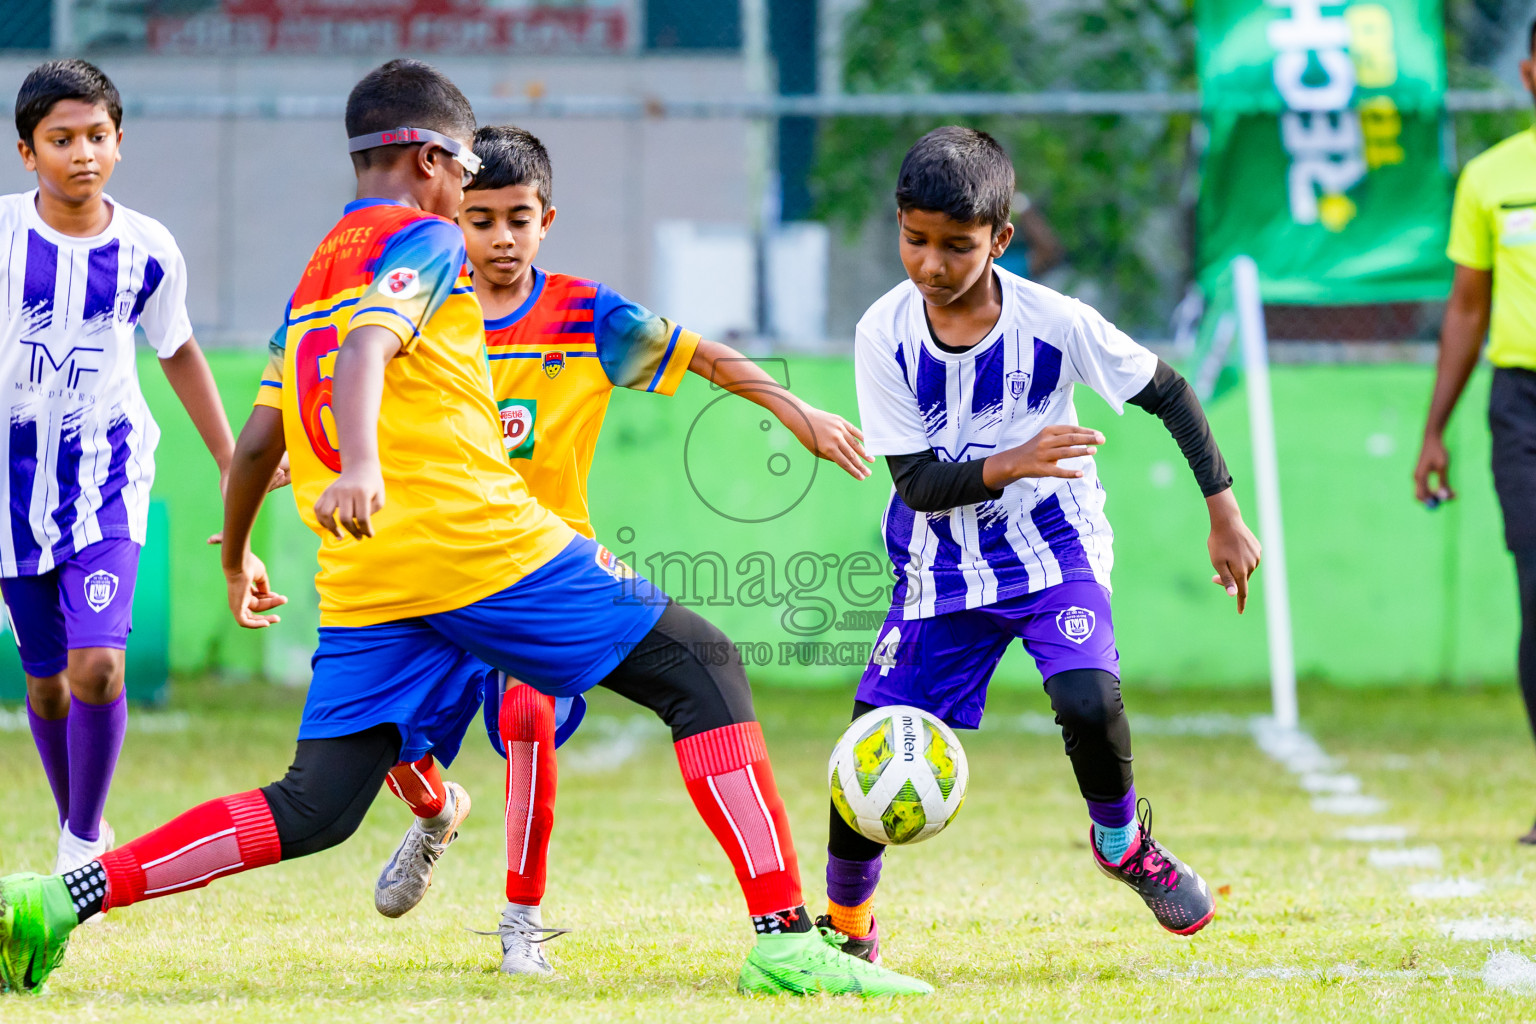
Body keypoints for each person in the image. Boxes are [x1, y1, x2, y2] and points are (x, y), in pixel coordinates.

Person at [0, 58, 930, 999]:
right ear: (429, 156)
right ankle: (783, 937)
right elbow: (375, 340)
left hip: (369, 579)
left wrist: (238, 554)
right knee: (705, 665)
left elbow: (253, 446)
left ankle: (61, 897)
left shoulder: (316, 272)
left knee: (314, 806)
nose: (467, 193)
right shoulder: (424, 241)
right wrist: (360, 460)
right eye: (462, 169)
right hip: (478, 547)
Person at [370, 123, 875, 976]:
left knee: (541, 707)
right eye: (481, 218)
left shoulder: (584, 313)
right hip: (431, 566)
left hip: (545, 572)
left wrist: (798, 411)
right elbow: (353, 392)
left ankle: (519, 925)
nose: (499, 238)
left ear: (547, 219)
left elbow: (703, 356)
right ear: (453, 216)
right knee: (382, 738)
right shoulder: (417, 307)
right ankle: (435, 810)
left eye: (518, 218)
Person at [820, 126, 1262, 960]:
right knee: (868, 749)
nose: (932, 265)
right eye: (915, 241)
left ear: (1001, 241)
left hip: (1054, 547)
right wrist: (1015, 459)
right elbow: (916, 483)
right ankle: (846, 932)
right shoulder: (883, 333)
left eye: (957, 246)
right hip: (938, 567)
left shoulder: (1053, 321)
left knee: (1091, 702)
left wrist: (1224, 511)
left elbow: (1168, 391)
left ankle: (1123, 843)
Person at [0, 60, 241, 878]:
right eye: (60, 140)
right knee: (43, 688)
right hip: (11, 492)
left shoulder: (148, 248)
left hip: (105, 479)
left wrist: (227, 457)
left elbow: (176, 350)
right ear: (28, 152)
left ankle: (79, 842)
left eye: (96, 137)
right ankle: (79, 827)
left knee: (96, 665)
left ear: (120, 142)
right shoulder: (1, 236)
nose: (82, 154)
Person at [1413, 20, 1536, 844]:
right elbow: (1466, 308)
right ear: (1528, 73)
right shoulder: (1492, 178)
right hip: (1520, 404)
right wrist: (1435, 431)